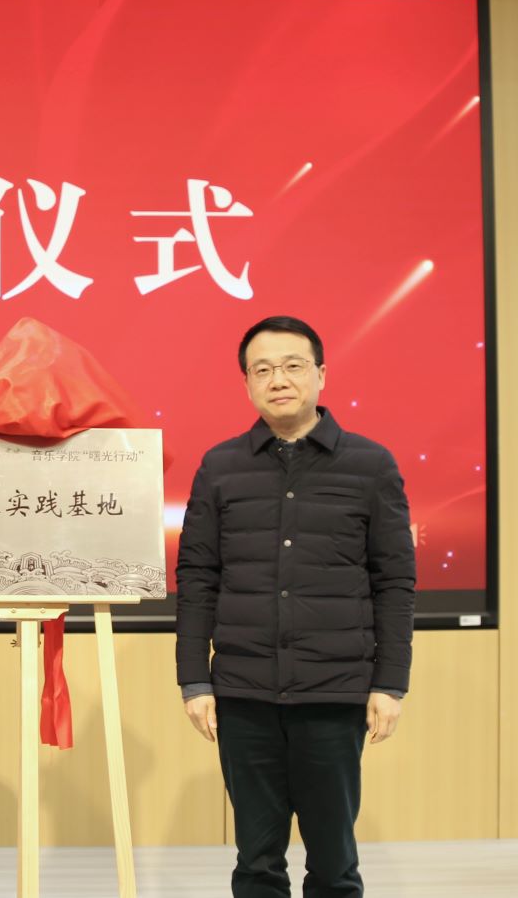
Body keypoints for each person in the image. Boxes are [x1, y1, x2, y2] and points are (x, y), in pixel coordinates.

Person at [176, 316, 415, 898]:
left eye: (292, 366)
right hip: (244, 692)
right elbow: (197, 576)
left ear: (321, 374)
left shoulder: (370, 465)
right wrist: (194, 681)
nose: (277, 379)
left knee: (333, 864)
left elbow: (394, 581)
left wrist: (390, 683)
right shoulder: (220, 467)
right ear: (246, 383)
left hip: (333, 694)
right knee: (256, 861)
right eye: (262, 369)